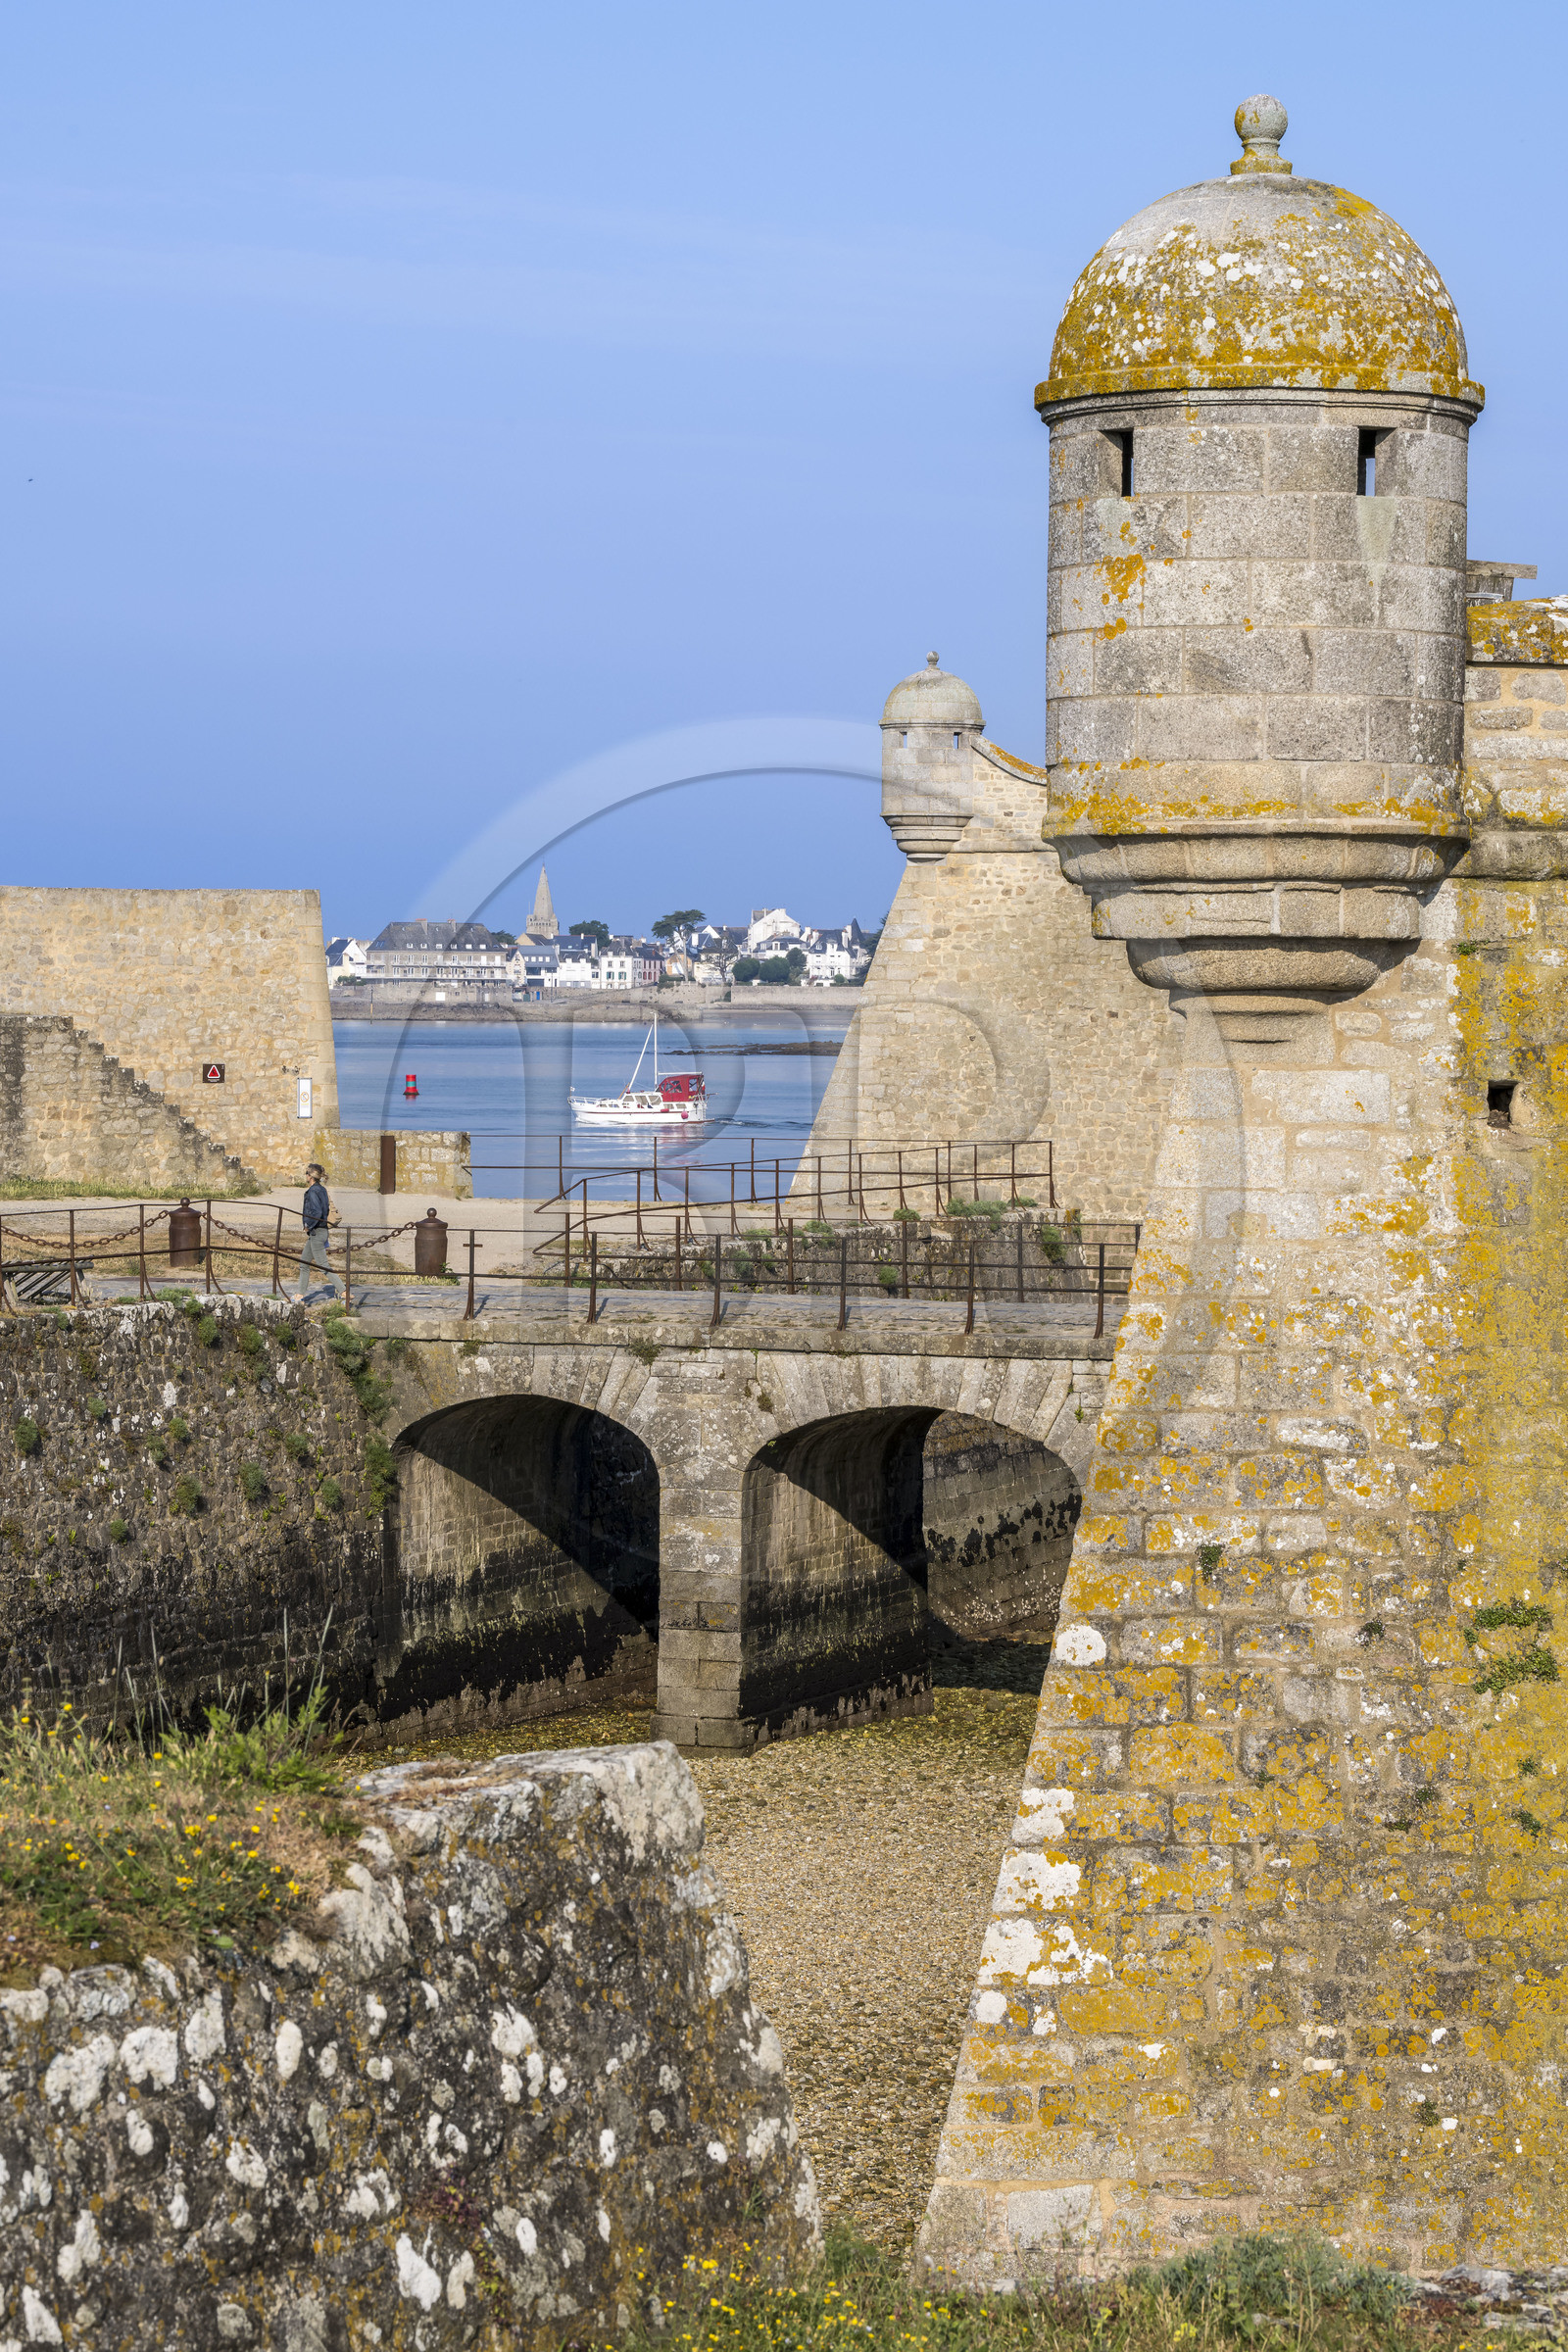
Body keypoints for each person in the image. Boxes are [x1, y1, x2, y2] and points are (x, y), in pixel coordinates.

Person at [296, 1162, 339, 1301]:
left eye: (306, 1174)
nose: (306, 1176)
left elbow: (318, 1212)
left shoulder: (313, 1191)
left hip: (317, 1231)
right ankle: (300, 1294)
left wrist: (308, 1225)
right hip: (319, 1232)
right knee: (304, 1264)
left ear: (310, 1176)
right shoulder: (321, 1189)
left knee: (323, 1265)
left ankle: (344, 1291)